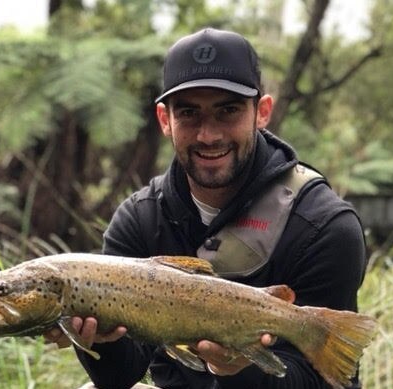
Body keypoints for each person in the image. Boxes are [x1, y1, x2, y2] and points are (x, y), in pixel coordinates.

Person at [44, 28, 367, 389]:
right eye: (189, 113)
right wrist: (98, 340)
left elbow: (330, 384)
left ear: (262, 112)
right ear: (165, 120)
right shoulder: (139, 221)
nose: (208, 135)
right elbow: (122, 376)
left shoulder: (323, 226)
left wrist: (237, 370)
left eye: (227, 111)